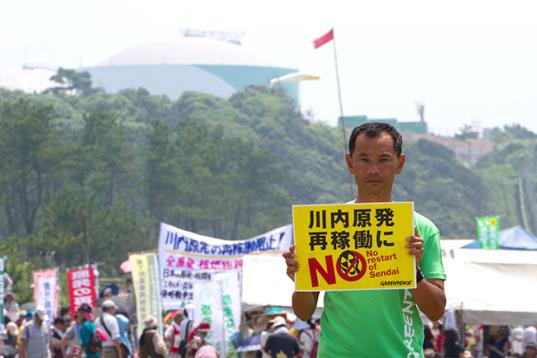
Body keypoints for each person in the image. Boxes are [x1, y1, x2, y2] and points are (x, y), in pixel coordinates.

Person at [283, 122, 447, 357]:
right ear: (350, 163)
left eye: (383, 159)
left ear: (399, 164)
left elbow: (436, 311)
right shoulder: (327, 226)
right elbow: (304, 311)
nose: (373, 170)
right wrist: (300, 279)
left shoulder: (421, 229)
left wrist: (415, 272)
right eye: (364, 159)